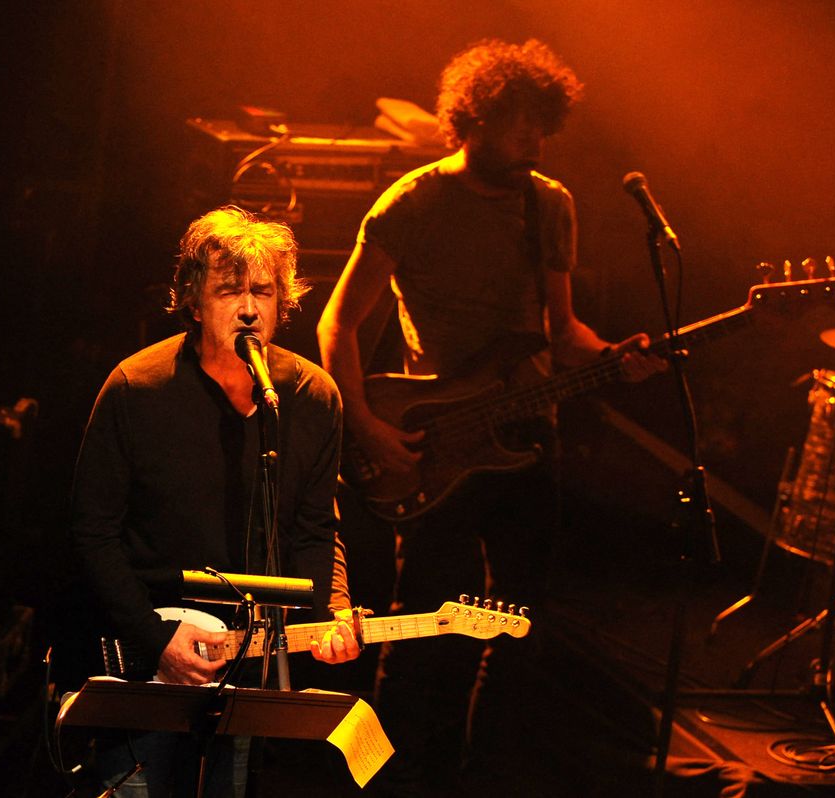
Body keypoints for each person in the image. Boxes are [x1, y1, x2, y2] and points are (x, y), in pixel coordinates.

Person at [316, 39, 665, 795]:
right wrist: (366, 425)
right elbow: (338, 321)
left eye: (543, 123)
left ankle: (481, 777)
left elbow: (563, 333)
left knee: (519, 624)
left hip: (527, 437)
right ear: (472, 119)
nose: (534, 138)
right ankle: (378, 779)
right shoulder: (413, 202)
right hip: (435, 438)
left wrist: (616, 356)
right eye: (518, 122)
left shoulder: (551, 204)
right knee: (417, 625)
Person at [71, 206, 359, 797]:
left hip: (250, 661)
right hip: (146, 653)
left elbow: (315, 529)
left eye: (263, 291)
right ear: (194, 301)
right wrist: (154, 638)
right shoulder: (136, 386)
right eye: (230, 291)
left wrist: (333, 610)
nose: (249, 308)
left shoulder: (311, 397)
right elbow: (92, 531)